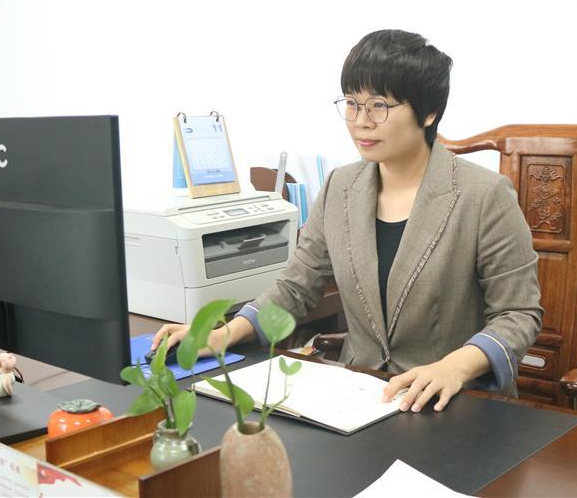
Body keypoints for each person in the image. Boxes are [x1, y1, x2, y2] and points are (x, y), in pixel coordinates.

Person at [152, 29, 542, 413]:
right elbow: (296, 287)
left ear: (429, 113)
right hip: (361, 394)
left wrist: (455, 366)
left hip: (452, 401)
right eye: (352, 103)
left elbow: (519, 313)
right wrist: (223, 335)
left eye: (379, 105)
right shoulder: (341, 187)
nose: (361, 121)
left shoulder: (484, 195)